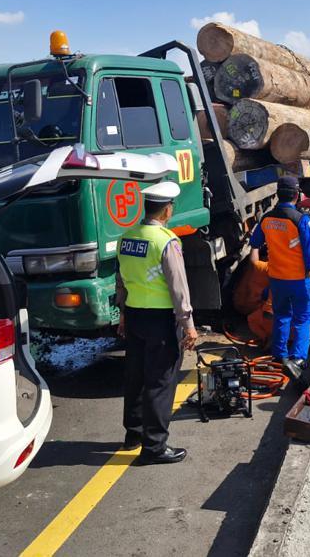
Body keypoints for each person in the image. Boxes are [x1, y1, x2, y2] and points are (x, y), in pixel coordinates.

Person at [115, 181, 197, 466]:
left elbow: (122, 280)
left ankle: (133, 434)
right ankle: (154, 447)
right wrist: (188, 324)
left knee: (135, 377)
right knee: (161, 382)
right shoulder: (166, 241)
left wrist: (123, 315)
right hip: (161, 320)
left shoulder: (127, 237)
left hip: (136, 314)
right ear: (166, 210)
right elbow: (178, 287)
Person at [249, 176, 310, 381]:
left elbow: (255, 243)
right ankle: (298, 359)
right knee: (303, 318)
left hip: (277, 279)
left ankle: (279, 356)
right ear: (297, 195)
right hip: (299, 280)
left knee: (281, 315)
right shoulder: (302, 220)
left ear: (277, 194)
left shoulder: (266, 219)